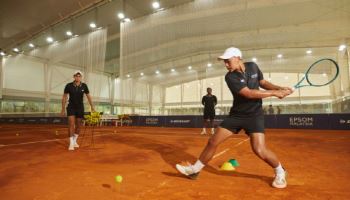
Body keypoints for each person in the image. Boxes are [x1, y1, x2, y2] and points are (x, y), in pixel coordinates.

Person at [176, 47, 293, 188]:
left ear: (238, 58)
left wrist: (280, 88)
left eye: (227, 61)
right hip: (236, 116)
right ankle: (194, 171)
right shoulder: (230, 77)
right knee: (213, 141)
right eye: (224, 62)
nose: (225, 65)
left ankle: (280, 171)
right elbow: (248, 93)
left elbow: (262, 83)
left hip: (254, 116)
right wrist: (275, 93)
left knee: (259, 150)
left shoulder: (253, 66)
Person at [61, 70, 95, 151]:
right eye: (76, 76)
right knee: (71, 124)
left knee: (79, 126)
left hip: (80, 107)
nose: (78, 77)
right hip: (71, 107)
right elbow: (64, 97)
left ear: (81, 77)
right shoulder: (68, 85)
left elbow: (88, 96)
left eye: (79, 76)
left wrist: (92, 107)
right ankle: (71, 143)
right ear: (74, 77)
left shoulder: (84, 86)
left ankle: (75, 141)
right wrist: (62, 108)